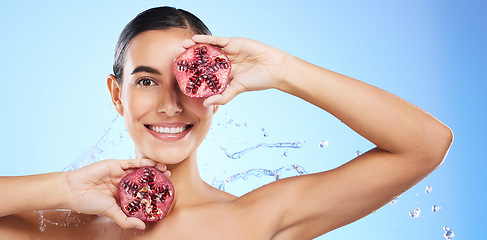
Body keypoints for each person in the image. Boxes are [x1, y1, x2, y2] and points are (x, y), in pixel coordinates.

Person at [0, 6, 452, 240]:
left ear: (216, 94)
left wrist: (283, 70)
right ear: (117, 96)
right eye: (145, 81)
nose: (170, 105)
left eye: (187, 81)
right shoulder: (64, 228)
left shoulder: (252, 221)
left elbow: (427, 143)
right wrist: (63, 189)